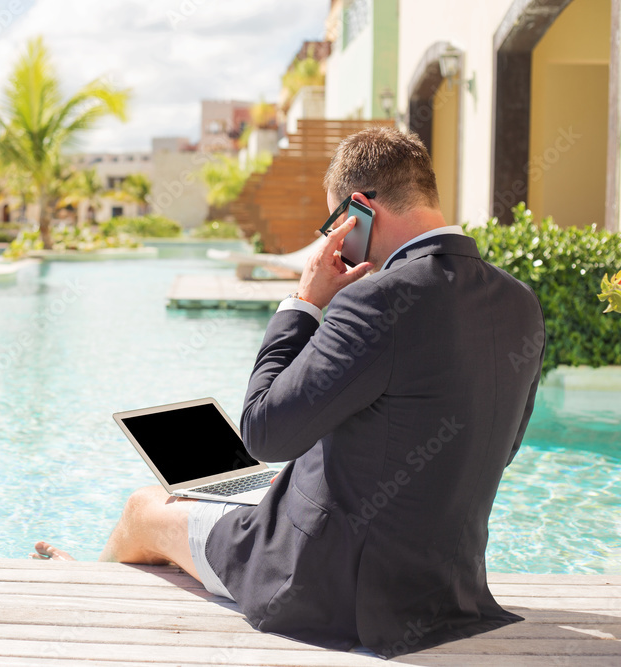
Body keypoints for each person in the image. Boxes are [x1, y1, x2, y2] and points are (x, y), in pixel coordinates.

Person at [33, 127, 545, 659]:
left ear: (359, 208)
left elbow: (262, 433)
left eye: (335, 224)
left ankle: (84, 587)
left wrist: (304, 302)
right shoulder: (518, 301)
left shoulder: (375, 302)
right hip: (450, 586)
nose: (336, 243)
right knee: (214, 498)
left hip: (325, 585)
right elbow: (494, 447)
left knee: (144, 508)